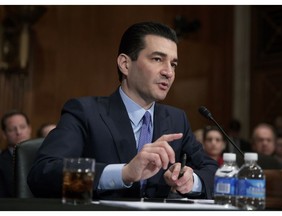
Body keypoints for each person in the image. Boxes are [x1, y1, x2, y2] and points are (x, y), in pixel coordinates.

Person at [28, 21, 218, 200]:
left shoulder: (176, 119)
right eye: (158, 59)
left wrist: (191, 182)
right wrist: (123, 174)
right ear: (125, 64)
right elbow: (42, 175)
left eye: (173, 64)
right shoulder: (85, 113)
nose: (168, 72)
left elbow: (212, 171)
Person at [0, 110, 32, 197]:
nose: (18, 132)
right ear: (4, 134)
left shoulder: (42, 156)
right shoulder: (1, 162)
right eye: (12, 129)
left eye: (22, 127)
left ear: (29, 129)